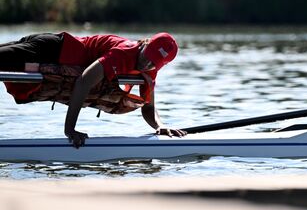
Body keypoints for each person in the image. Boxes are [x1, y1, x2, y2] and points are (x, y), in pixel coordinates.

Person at [0, 32, 187, 147]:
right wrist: (70, 130)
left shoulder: (150, 70)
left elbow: (148, 107)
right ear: (145, 44)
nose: (145, 63)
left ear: (160, 65)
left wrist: (160, 126)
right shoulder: (125, 52)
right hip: (53, 49)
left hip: (52, 48)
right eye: (147, 56)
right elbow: (84, 81)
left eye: (152, 63)